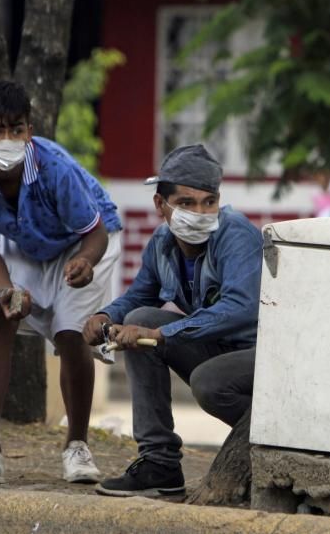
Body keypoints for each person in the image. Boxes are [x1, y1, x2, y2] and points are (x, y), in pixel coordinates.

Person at [0, 80, 122, 486]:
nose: (7, 141)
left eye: (17, 130)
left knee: (71, 333)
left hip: (84, 242)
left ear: (30, 129)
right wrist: (6, 290)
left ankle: (77, 444)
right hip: (21, 242)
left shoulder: (53, 167)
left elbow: (94, 232)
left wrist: (85, 261)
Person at [83, 144, 262, 497]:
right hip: (219, 348)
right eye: (186, 203)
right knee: (137, 319)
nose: (199, 212)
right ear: (160, 205)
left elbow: (240, 307)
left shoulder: (237, 235)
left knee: (209, 381)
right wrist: (107, 316)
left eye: (208, 202)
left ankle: (277, 444)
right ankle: (159, 462)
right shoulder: (163, 243)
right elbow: (141, 296)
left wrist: (163, 333)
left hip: (265, 352)